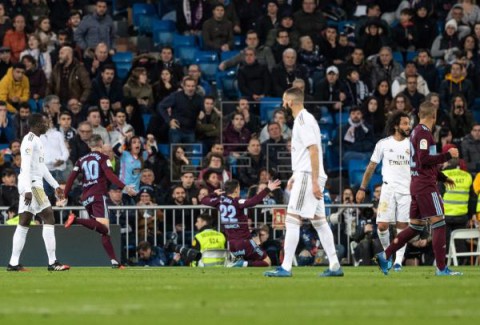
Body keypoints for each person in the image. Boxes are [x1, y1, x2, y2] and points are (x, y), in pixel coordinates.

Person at [375, 101, 462, 276]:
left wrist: (442, 177)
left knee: (415, 227)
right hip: (425, 186)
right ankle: (441, 268)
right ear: (434, 115)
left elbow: (423, 163)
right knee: (439, 222)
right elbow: (424, 159)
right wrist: (447, 155)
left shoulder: (415, 133)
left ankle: (385, 255)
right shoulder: (424, 134)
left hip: (415, 185)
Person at [264, 87, 343, 277]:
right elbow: (306, 153)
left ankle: (286, 267)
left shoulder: (302, 120)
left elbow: (314, 150)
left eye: (284, 100)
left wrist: (313, 181)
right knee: (320, 222)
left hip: (308, 176)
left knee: (292, 219)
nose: (283, 104)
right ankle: (334, 265)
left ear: (290, 102)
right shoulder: (305, 119)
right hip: (306, 174)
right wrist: (294, 175)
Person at [63, 135, 137, 268]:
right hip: (98, 196)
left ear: (89, 146)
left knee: (103, 231)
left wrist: (65, 195)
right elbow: (110, 175)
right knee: (104, 228)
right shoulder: (104, 158)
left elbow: (71, 178)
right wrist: (125, 187)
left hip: (86, 198)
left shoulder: (80, 160)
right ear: (101, 144)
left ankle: (114, 262)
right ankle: (75, 220)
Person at [7, 113, 69, 271]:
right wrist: (28, 189)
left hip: (33, 183)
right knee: (48, 215)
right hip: (32, 185)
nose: (48, 125)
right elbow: (26, 166)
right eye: (44, 122)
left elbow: (41, 167)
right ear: (36, 125)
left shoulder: (37, 141)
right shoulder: (29, 141)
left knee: (24, 222)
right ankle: (53, 262)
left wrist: (55, 185)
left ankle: (13, 263)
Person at [356, 111, 411, 271]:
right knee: (381, 225)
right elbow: (371, 166)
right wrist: (362, 188)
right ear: (396, 126)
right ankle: (388, 254)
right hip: (388, 189)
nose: (408, 127)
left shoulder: (412, 144)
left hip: (406, 191)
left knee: (402, 226)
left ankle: (398, 262)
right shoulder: (383, 144)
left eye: (408, 124)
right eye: (405, 124)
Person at [201, 179, 281, 267]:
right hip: (244, 242)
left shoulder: (219, 201)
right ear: (236, 189)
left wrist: (214, 194)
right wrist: (267, 189)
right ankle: (242, 263)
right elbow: (253, 201)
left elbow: (204, 200)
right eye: (239, 188)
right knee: (267, 262)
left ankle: (242, 264)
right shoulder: (237, 201)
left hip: (232, 245)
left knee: (250, 263)